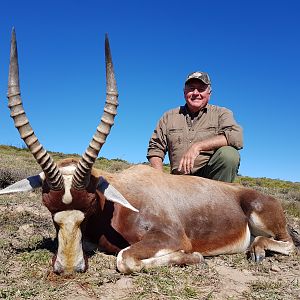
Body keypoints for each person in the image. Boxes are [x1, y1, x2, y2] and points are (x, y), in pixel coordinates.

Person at [147, 71, 243, 183]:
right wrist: (160, 180)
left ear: (209, 93)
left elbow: (236, 137)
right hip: (177, 179)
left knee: (229, 154)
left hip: (209, 181)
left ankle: (219, 198)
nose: (196, 93)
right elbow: (155, 149)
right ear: (184, 92)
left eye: (201, 89)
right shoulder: (169, 116)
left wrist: (198, 146)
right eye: (191, 88)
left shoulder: (222, 113)